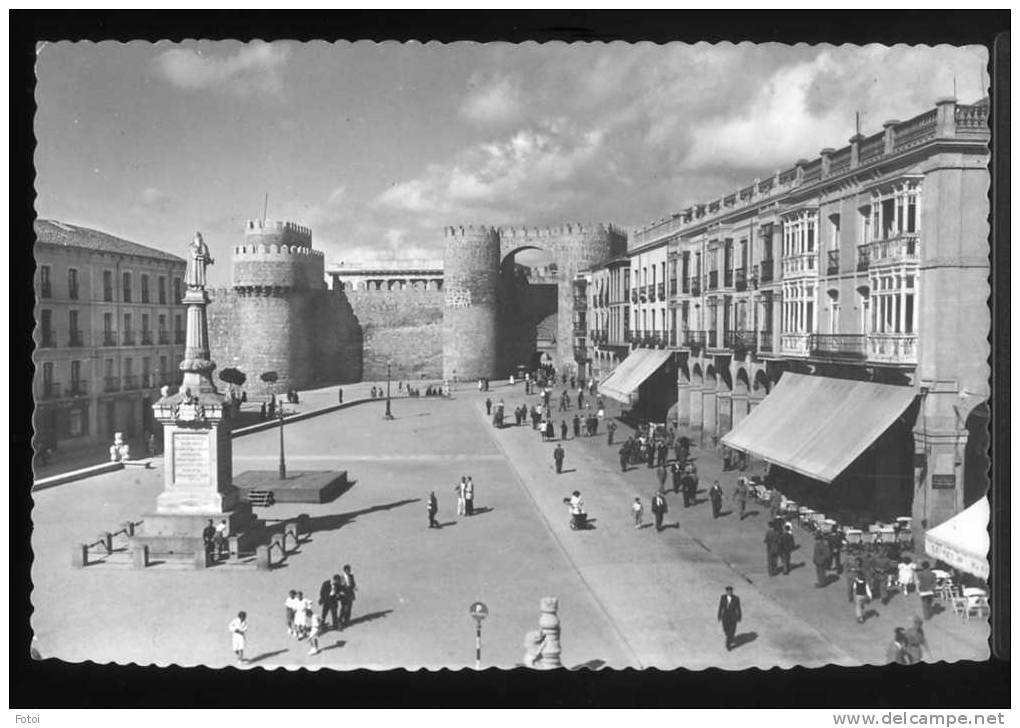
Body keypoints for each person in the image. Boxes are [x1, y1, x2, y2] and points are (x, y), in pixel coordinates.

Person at [717, 587, 742, 652]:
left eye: (730, 591)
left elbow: (738, 608)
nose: (729, 593)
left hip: (733, 617)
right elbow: (720, 607)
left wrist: (739, 616)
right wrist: (719, 615)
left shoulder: (736, 598)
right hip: (725, 617)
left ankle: (728, 645)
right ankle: (730, 638)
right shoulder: (723, 597)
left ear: (732, 592)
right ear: (726, 592)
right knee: (726, 630)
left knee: (731, 631)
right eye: (728, 591)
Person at [339, 564, 357, 628]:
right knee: (343, 608)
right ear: (344, 570)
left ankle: (347, 621)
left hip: (350, 594)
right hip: (344, 594)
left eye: (349, 570)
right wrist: (340, 592)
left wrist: (354, 587)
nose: (348, 571)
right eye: (347, 570)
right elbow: (339, 586)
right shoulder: (341, 577)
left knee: (349, 608)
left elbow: (353, 583)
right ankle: (340, 621)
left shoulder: (351, 576)